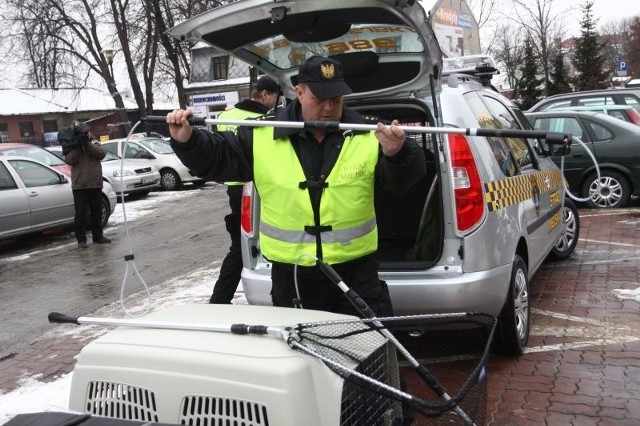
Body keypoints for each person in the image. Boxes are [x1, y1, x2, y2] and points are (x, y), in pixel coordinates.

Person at [166, 56, 426, 317]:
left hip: (357, 272)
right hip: (293, 277)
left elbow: (401, 185)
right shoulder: (261, 134)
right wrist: (188, 142)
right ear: (299, 93)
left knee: (369, 348)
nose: (328, 107)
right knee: (303, 353)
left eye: (335, 98)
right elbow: (218, 158)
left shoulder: (367, 132)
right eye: (319, 98)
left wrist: (398, 154)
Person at [209, 75, 279, 304]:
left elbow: (219, 152)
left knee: (241, 246)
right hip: (257, 188)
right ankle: (220, 300)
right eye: (275, 96)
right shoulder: (262, 119)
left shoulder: (225, 115)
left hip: (234, 190)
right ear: (266, 94)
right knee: (250, 245)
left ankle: (220, 299)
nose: (276, 102)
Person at [63, 123, 111, 248]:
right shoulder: (74, 147)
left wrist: (87, 144)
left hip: (95, 184)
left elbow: (101, 154)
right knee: (80, 214)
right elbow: (69, 160)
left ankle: (98, 236)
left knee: (96, 212)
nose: (87, 134)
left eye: (88, 132)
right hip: (80, 186)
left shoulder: (94, 145)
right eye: (85, 133)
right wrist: (79, 146)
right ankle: (81, 240)